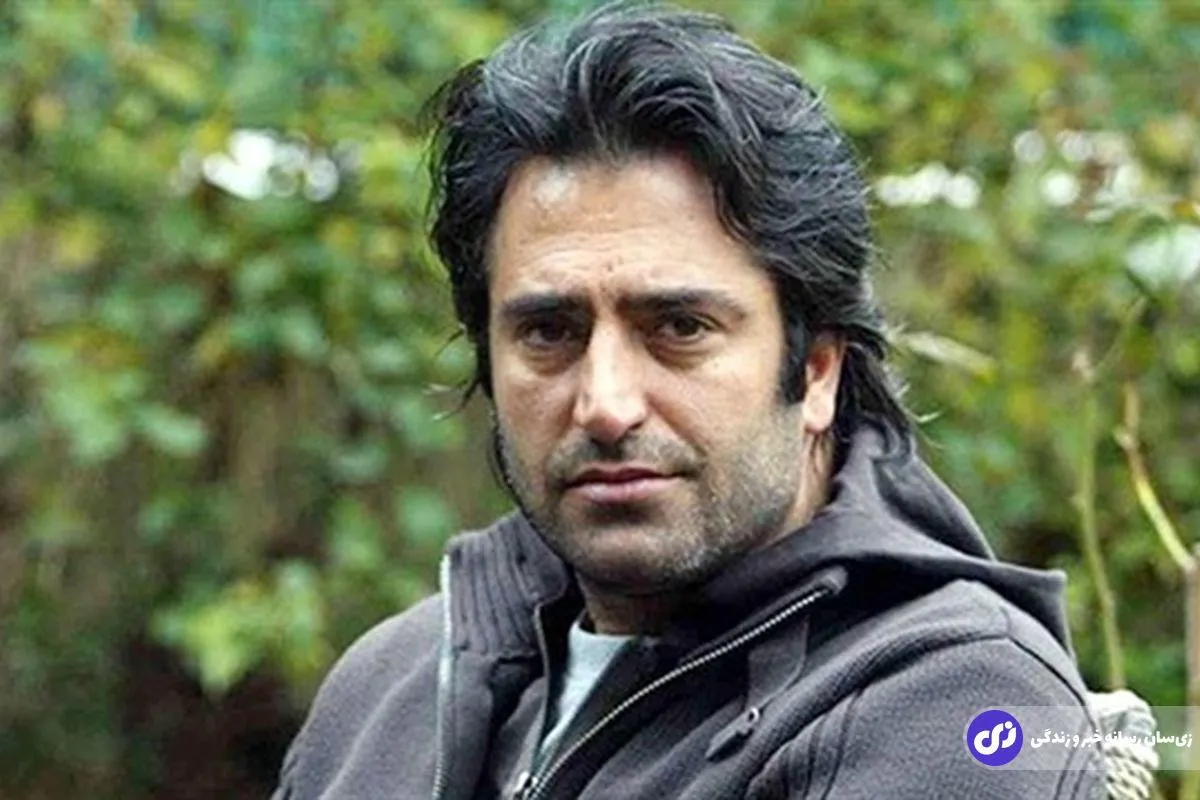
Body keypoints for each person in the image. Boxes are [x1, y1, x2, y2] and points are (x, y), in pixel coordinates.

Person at [272, 3, 1120, 798]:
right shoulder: (390, 689)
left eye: (679, 327)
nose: (605, 404)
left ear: (816, 371)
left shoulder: (959, 710)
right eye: (549, 332)